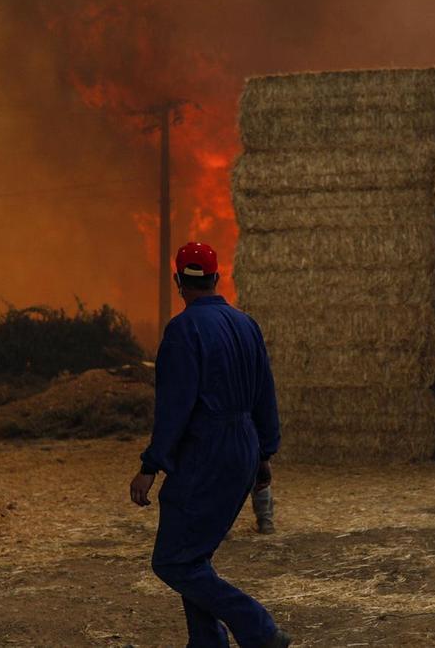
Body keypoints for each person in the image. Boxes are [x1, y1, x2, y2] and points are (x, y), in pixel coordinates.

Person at [129, 242, 291, 648]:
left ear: (179, 281)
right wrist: (264, 453)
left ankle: (258, 629)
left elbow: (174, 407)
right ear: (218, 278)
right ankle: (206, 642)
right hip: (244, 446)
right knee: (193, 553)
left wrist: (151, 465)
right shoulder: (246, 324)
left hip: (206, 450)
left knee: (172, 560)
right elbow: (264, 394)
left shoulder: (184, 331)